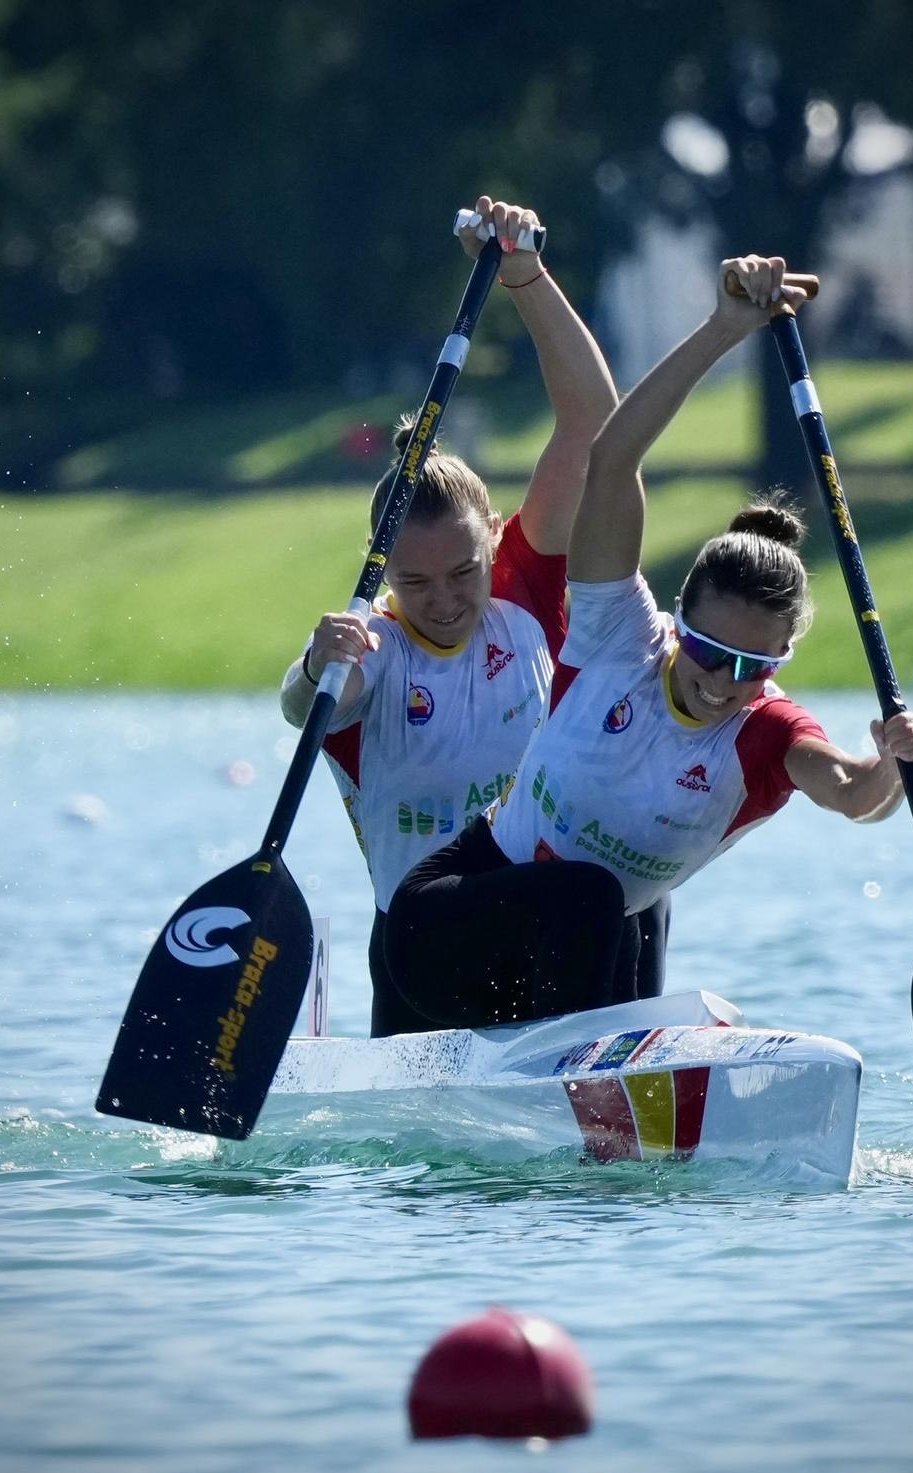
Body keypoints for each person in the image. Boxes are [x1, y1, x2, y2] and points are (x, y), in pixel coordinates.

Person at [384, 255, 913, 1031]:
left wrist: (893, 764)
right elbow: (610, 458)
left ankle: (604, 1113)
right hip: (436, 929)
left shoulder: (765, 733)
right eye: (710, 650)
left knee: (625, 911)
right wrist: (724, 329)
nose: (723, 682)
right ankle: (575, 1081)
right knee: (595, 894)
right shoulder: (619, 637)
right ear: (679, 621)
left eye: (755, 668)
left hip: (566, 955)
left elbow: (853, 793)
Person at [282, 196, 668, 1036]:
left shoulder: (526, 589)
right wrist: (317, 667)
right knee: (589, 894)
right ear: (384, 573)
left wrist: (525, 275)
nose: (450, 599)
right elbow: (301, 708)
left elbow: (595, 428)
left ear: (495, 538)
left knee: (630, 891)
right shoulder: (370, 647)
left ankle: (619, 1097)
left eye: (465, 569)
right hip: (431, 959)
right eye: (416, 584)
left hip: (560, 938)